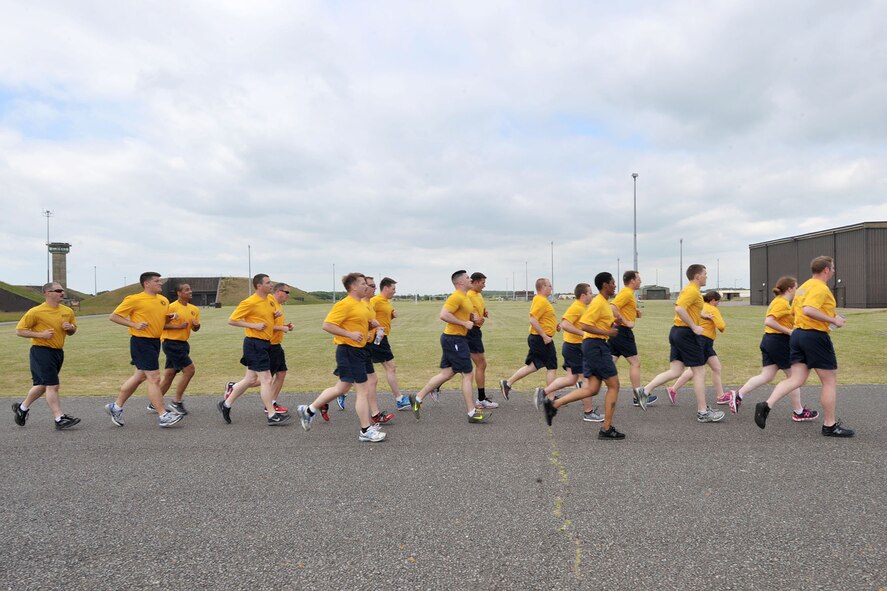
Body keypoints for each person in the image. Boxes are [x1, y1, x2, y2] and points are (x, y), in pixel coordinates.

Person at [754, 256, 853, 437]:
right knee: (829, 381)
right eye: (832, 268)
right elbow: (809, 309)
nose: (833, 271)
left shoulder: (803, 288)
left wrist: (829, 316)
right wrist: (833, 320)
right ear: (826, 270)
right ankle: (829, 425)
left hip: (797, 335)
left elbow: (796, 312)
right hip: (814, 336)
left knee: (796, 379)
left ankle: (766, 405)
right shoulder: (820, 287)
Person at [296, 273, 386, 442]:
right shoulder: (344, 304)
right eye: (363, 284)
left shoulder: (362, 304)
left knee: (342, 388)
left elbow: (358, 325)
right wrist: (349, 334)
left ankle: (308, 410)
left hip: (360, 350)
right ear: (353, 287)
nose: (366, 286)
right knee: (363, 390)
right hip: (349, 351)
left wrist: (370, 327)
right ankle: (365, 430)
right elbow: (327, 325)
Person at [635, 264, 725, 423]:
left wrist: (702, 317)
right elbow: (679, 309)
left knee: (676, 370)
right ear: (698, 276)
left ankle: (645, 391)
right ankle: (703, 412)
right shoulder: (692, 291)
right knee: (699, 372)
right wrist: (694, 326)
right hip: (686, 334)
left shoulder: (691, 290)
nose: (706, 276)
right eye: (705, 274)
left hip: (677, 332)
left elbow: (688, 309)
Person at [541, 272, 626, 439]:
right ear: (605, 285)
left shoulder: (603, 303)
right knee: (614, 385)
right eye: (613, 283)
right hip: (596, 346)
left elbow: (598, 323)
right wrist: (608, 332)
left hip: (594, 346)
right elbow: (585, 325)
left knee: (592, 389)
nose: (615, 285)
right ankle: (606, 429)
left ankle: (554, 405)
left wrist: (614, 323)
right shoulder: (598, 303)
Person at [730, 276, 819, 421]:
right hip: (778, 342)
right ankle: (799, 412)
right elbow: (769, 321)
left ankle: (738, 395)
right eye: (796, 287)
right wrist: (789, 331)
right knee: (794, 377)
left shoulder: (780, 302)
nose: (797, 290)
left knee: (767, 376)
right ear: (790, 289)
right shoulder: (781, 303)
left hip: (770, 341)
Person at [408, 270, 489, 423]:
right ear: (460, 282)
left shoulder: (465, 297)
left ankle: (417, 398)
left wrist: (474, 318)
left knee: (448, 373)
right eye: (467, 278)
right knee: (467, 374)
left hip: (454, 339)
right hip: (454, 339)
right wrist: (464, 323)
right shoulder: (456, 297)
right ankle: (472, 413)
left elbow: (463, 314)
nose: (470, 279)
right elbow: (444, 314)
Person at [106, 272, 184, 428]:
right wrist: (134, 324)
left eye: (160, 281)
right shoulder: (134, 299)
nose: (160, 283)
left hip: (155, 342)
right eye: (157, 281)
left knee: (140, 376)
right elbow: (114, 316)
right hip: (141, 342)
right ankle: (163, 415)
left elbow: (160, 321)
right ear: (146, 284)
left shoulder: (163, 300)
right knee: (154, 378)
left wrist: (170, 317)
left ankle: (116, 407)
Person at [219, 274, 291, 426]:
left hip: (265, 343)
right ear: (259, 286)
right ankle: (271, 414)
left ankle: (226, 404)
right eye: (268, 283)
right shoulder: (250, 302)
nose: (271, 285)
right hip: (254, 343)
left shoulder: (270, 299)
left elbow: (267, 316)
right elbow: (232, 320)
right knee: (266, 379)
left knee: (250, 380)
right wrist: (253, 325)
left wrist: (275, 315)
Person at [12, 282, 80, 430]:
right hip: (41, 351)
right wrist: (40, 335)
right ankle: (59, 418)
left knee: (43, 385)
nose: (62, 293)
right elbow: (19, 330)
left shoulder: (67, 311)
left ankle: (22, 408)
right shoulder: (36, 312)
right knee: (52, 385)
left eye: (62, 290)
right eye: (58, 290)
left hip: (58, 352)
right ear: (47, 293)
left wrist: (70, 328)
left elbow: (73, 330)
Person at [534, 283, 603, 422]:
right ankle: (588, 413)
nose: (592, 295)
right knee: (587, 381)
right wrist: (583, 334)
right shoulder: (577, 307)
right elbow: (565, 324)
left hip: (572, 348)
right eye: (590, 293)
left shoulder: (582, 307)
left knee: (571, 379)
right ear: (583, 295)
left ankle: (543, 392)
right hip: (574, 348)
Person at [667, 291, 731, 405]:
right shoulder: (713, 309)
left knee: (715, 367)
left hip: (700, 340)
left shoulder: (701, 306)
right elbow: (721, 326)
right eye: (718, 301)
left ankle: (720, 396)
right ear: (713, 300)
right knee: (696, 370)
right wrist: (714, 321)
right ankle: (673, 389)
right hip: (704, 341)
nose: (718, 304)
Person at [499, 278, 559, 399]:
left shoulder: (541, 300)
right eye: (549, 285)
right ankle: (551, 398)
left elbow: (542, 319)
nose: (551, 288)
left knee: (533, 366)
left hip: (538, 338)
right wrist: (544, 336)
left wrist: (554, 326)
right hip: (541, 339)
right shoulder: (540, 300)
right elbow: (532, 320)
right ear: (543, 287)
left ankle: (508, 383)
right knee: (552, 367)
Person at [150, 282, 200, 415]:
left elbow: (195, 328)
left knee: (170, 374)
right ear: (179, 293)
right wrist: (178, 327)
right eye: (187, 290)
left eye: (190, 289)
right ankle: (176, 401)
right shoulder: (171, 307)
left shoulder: (194, 309)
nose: (190, 291)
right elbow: (160, 325)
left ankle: (155, 403)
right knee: (189, 370)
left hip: (183, 344)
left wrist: (196, 326)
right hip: (171, 343)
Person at [610, 270, 657, 407]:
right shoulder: (626, 293)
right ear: (632, 281)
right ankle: (638, 397)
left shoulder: (628, 293)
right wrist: (625, 321)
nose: (640, 281)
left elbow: (621, 308)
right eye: (638, 279)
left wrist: (634, 313)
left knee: (608, 363)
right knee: (635, 363)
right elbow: (612, 307)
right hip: (622, 332)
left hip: (617, 331)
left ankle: (586, 383)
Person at [368, 277, 410, 411]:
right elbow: (366, 314)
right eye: (393, 289)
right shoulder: (375, 300)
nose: (395, 291)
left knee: (362, 367)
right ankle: (399, 399)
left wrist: (391, 315)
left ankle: (342, 391)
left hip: (381, 337)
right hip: (378, 337)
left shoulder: (386, 302)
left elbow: (383, 316)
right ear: (386, 288)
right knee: (390, 367)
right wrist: (373, 326)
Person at [467, 272, 498, 409]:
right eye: (482, 283)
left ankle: (435, 387)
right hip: (471, 332)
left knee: (455, 367)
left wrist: (483, 312)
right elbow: (463, 313)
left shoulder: (478, 295)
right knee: (481, 364)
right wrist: (474, 319)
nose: (484, 285)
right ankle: (481, 399)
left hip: (475, 331)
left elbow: (477, 308)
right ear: (474, 282)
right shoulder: (468, 295)